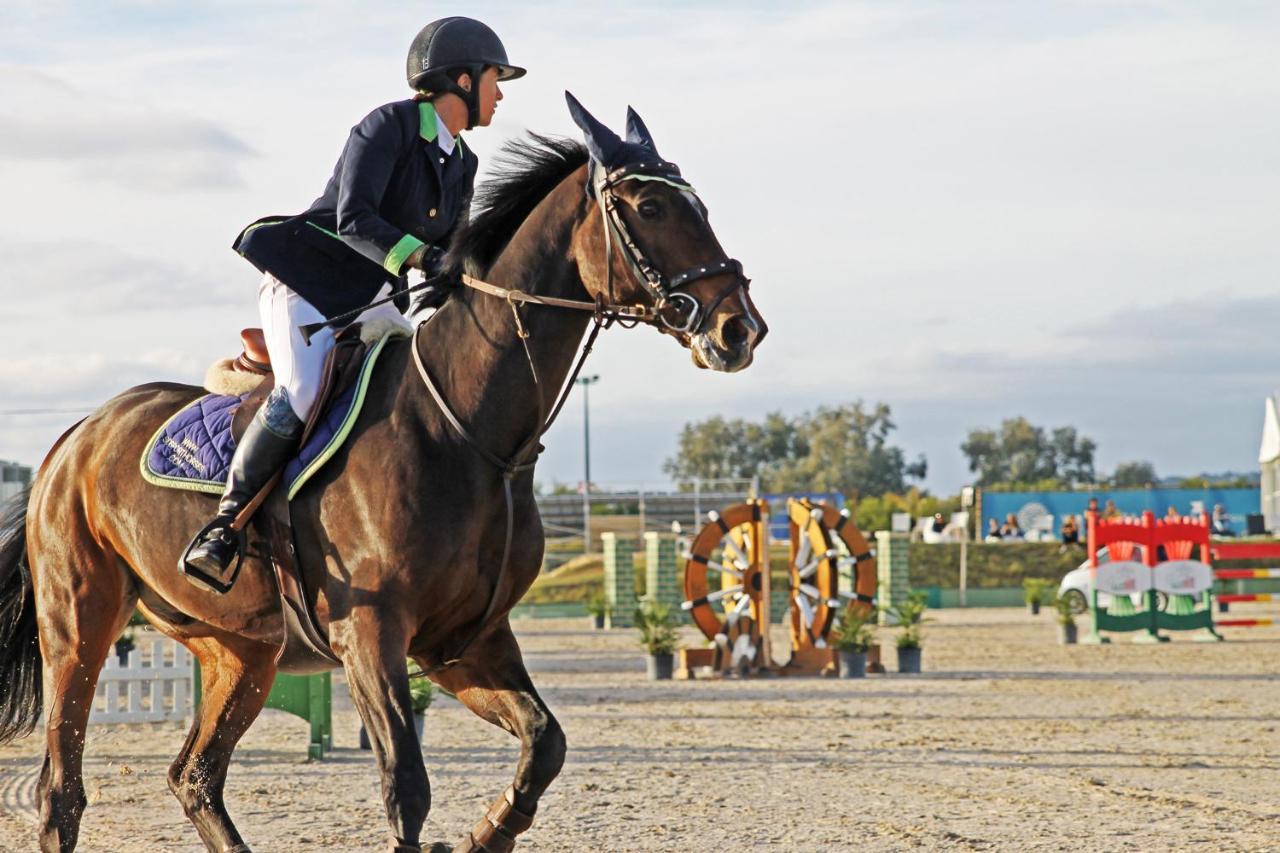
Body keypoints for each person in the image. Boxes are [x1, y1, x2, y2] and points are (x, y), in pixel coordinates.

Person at [181, 17, 525, 593]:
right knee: (304, 392)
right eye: (495, 77)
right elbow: (355, 219)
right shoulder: (387, 124)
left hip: (374, 302)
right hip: (310, 284)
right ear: (461, 80)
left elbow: (451, 252)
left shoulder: (463, 163)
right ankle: (225, 525)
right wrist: (425, 260)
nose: (500, 92)